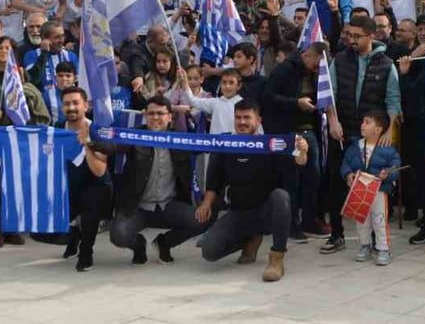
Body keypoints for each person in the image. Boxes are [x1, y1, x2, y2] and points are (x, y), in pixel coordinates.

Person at [196, 99, 311, 282]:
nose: (242, 122)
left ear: (258, 121)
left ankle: (277, 258)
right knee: (209, 251)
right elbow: (214, 182)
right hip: (238, 212)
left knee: (281, 197)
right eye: (238, 117)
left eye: (247, 117)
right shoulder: (226, 144)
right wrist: (206, 204)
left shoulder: (271, 144)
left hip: (266, 213)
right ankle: (249, 240)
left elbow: (297, 165)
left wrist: (302, 152)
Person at [322, 14, 400, 255]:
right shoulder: (339, 60)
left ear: (371, 36)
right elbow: (330, 94)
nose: (352, 40)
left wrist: (389, 129)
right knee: (337, 183)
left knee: (372, 186)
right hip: (342, 130)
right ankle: (337, 234)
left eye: (357, 36)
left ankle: (376, 240)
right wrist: (332, 121)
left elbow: (393, 100)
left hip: (371, 135)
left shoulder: (386, 64)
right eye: (349, 35)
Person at [108, 96, 206, 264]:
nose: (155, 117)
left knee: (204, 220)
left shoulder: (181, 139)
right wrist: (92, 140)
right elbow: (112, 146)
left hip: (168, 206)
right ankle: (138, 245)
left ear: (170, 117)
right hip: (138, 207)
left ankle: (165, 243)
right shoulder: (134, 135)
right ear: (145, 115)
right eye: (151, 113)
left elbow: (209, 145)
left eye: (160, 114)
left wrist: (234, 142)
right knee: (119, 235)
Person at [260, 43, 324, 240]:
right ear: (307, 55)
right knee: (291, 180)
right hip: (288, 131)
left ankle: (310, 220)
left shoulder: (317, 74)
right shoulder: (284, 69)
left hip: (309, 130)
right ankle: (291, 224)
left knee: (313, 178)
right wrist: (296, 103)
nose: (317, 67)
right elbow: (268, 97)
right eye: (316, 63)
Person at [57, 87, 111, 272]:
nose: (71, 107)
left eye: (75, 103)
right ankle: (73, 234)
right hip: (68, 186)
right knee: (41, 233)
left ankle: (86, 250)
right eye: (67, 104)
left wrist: (87, 143)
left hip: (95, 185)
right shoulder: (56, 129)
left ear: (85, 106)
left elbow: (99, 171)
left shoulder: (98, 130)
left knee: (91, 205)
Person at [339, 110, 400, 266]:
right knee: (361, 221)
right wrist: (348, 174)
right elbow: (345, 163)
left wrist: (388, 173)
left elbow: (396, 167)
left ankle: (383, 248)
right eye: (363, 121)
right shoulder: (355, 147)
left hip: (379, 191)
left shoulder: (388, 149)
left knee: (379, 220)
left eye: (367, 122)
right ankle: (364, 245)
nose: (362, 125)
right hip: (359, 190)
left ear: (378, 130)